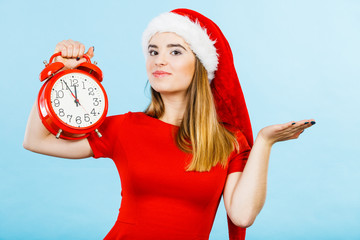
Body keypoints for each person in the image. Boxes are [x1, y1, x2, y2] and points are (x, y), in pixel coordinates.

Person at [23, 8, 315, 240]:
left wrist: (264, 142)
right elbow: (37, 141)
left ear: (200, 65)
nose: (159, 60)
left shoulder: (230, 141)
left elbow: (242, 216)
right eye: (153, 51)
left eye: (175, 51)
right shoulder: (125, 127)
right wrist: (60, 74)